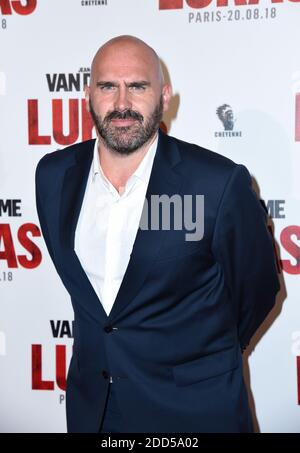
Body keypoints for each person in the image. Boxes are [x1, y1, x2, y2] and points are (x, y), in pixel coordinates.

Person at [35, 35, 280, 433]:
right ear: (88, 95)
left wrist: (201, 357)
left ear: (165, 97)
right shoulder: (53, 175)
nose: (121, 104)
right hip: (94, 407)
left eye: (138, 86)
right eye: (108, 86)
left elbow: (257, 290)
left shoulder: (213, 184)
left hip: (192, 411)